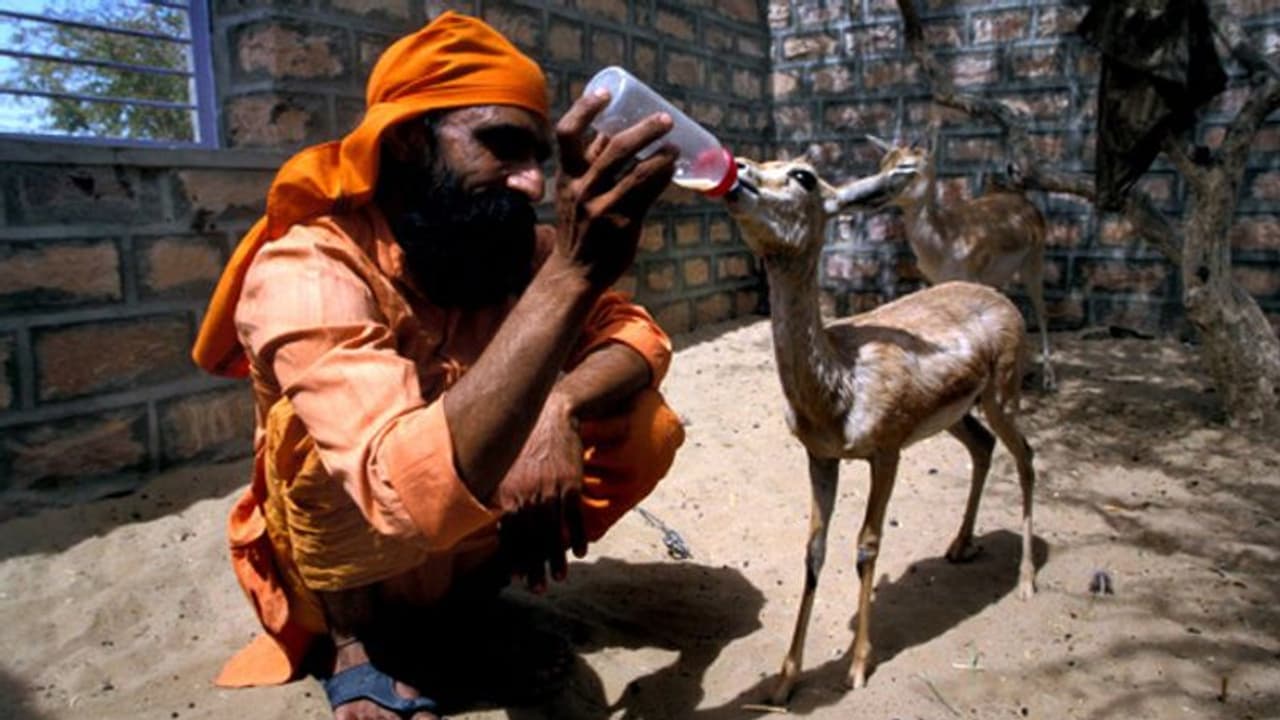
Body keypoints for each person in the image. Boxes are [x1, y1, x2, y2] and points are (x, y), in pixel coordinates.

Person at [191, 11, 686, 719]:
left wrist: (557, 406)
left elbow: (637, 334)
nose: (532, 185)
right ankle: (355, 648)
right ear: (407, 142)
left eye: (538, 158)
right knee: (309, 440)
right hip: (350, 570)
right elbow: (394, 484)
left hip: (459, 548)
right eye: (502, 148)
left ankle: (466, 610)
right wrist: (571, 276)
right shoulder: (307, 265)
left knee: (641, 422)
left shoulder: (510, 246)